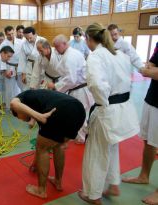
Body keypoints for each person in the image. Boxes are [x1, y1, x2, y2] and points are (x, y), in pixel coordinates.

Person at [78, 23, 140, 205]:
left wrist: (102, 103)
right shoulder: (119, 54)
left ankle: (93, 195)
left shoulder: (95, 56)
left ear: (89, 39)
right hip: (124, 108)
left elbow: (97, 85)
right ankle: (113, 184)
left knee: (96, 153)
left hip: (107, 109)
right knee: (112, 148)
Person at [10, 89, 85, 198]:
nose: (24, 120)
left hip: (59, 110)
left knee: (42, 149)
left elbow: (13, 103)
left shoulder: (23, 97)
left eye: (19, 118)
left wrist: (39, 116)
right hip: (78, 110)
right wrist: (36, 162)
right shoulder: (37, 100)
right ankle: (58, 182)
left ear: (17, 111)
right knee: (58, 145)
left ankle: (41, 190)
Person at [121, 43, 158, 205]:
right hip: (152, 98)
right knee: (148, 141)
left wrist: (147, 71)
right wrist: (150, 70)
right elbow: (151, 65)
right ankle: (143, 176)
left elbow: (151, 70)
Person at [50, 35, 94, 144]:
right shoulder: (70, 53)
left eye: (57, 46)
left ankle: (82, 138)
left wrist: (56, 86)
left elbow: (71, 79)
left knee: (81, 114)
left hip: (80, 89)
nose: (55, 49)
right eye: (54, 47)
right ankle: (82, 136)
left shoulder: (70, 56)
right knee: (81, 113)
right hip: (78, 88)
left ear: (64, 44)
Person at [0, 26, 23, 108]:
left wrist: (24, 70)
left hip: (20, 67)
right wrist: (5, 71)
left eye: (12, 33)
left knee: (23, 87)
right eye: (9, 34)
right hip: (9, 67)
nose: (11, 35)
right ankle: (10, 107)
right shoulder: (3, 44)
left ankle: (23, 105)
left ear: (14, 32)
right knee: (9, 89)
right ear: (6, 34)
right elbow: (1, 58)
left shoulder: (20, 42)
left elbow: (24, 56)